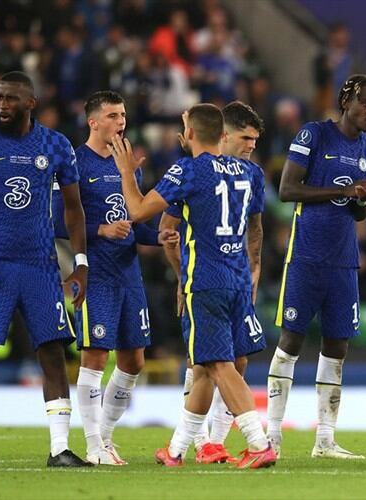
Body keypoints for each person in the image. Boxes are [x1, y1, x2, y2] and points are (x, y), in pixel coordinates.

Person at [112, 103, 276, 469]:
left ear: (189, 135)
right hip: (237, 279)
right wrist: (255, 269)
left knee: (218, 365)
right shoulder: (251, 173)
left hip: (206, 281)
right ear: (222, 135)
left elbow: (138, 211)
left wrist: (125, 173)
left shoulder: (187, 170)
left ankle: (258, 441)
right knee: (204, 366)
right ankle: (177, 450)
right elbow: (255, 230)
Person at [0, 71, 91, 467]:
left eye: (11, 98)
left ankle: (59, 450)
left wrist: (79, 264)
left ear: (32, 103)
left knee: (52, 353)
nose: (2, 105)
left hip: (41, 267)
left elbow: (74, 209)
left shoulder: (55, 145)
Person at [53, 90, 178, 466]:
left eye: (122, 115)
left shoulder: (130, 165)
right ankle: (93, 445)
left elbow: (134, 222)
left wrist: (157, 236)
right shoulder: (74, 162)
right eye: (112, 115)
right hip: (97, 275)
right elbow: (58, 221)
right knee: (95, 356)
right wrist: (100, 231)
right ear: (93, 122)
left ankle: (105, 437)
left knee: (134, 361)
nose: (120, 121)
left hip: (129, 274)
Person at [266, 74, 366, 460]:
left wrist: (363, 199)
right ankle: (272, 437)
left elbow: (360, 213)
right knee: (291, 342)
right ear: (347, 100)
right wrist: (345, 189)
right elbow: (287, 190)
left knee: (338, 346)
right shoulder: (314, 135)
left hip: (344, 260)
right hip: (306, 255)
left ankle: (325, 440)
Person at [159, 100, 266, 464]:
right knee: (206, 362)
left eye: (256, 140)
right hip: (207, 279)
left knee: (225, 361)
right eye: (245, 138)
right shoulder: (205, 174)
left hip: (225, 281)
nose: (251, 145)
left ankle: (199, 445)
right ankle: (199, 444)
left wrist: (255, 267)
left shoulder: (246, 175)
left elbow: (255, 229)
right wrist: (179, 277)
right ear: (224, 135)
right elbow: (167, 229)